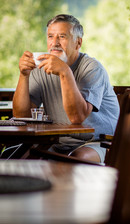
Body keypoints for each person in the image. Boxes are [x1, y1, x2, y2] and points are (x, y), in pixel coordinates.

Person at [13, 14, 119, 163]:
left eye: (62, 36)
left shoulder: (92, 68)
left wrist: (65, 72)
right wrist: (24, 75)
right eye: (50, 36)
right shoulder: (41, 68)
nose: (54, 43)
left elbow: (77, 117)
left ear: (78, 43)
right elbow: (21, 115)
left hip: (98, 142)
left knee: (75, 161)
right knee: (15, 158)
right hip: (58, 142)